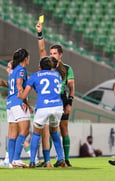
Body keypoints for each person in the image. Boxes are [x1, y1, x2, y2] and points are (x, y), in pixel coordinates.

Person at [36, 21, 75, 167]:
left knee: (63, 127)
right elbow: (41, 50)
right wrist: (40, 33)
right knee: (48, 130)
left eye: (54, 53)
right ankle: (48, 160)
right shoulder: (47, 65)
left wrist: (69, 103)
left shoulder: (67, 68)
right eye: (50, 53)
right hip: (48, 99)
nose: (51, 55)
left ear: (60, 55)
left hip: (62, 99)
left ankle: (65, 159)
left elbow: (71, 87)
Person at [18, 56, 66, 168]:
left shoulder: (34, 76)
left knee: (36, 134)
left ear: (40, 66)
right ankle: (61, 159)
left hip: (43, 107)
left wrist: (20, 93)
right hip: (57, 107)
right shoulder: (57, 75)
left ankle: (32, 161)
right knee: (54, 133)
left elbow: (24, 95)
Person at [6, 48, 32, 168]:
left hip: (10, 103)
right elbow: (19, 84)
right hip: (17, 102)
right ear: (25, 58)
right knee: (25, 130)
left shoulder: (12, 70)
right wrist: (22, 99)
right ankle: (16, 158)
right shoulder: (21, 70)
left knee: (12, 134)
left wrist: (27, 103)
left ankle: (11, 161)